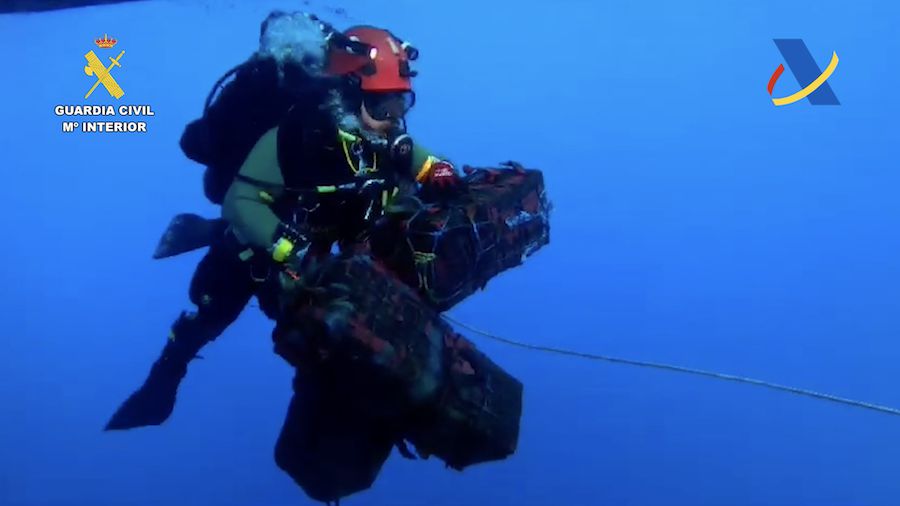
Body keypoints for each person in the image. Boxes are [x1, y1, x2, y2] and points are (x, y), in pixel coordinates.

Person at [105, 18, 461, 431]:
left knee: (331, 334)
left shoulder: (378, 137)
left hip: (327, 244)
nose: (395, 119)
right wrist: (291, 249)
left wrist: (440, 172)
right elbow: (241, 201)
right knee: (212, 313)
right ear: (350, 93)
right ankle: (165, 376)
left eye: (402, 103)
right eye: (384, 105)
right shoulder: (295, 135)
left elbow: (418, 157)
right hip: (263, 248)